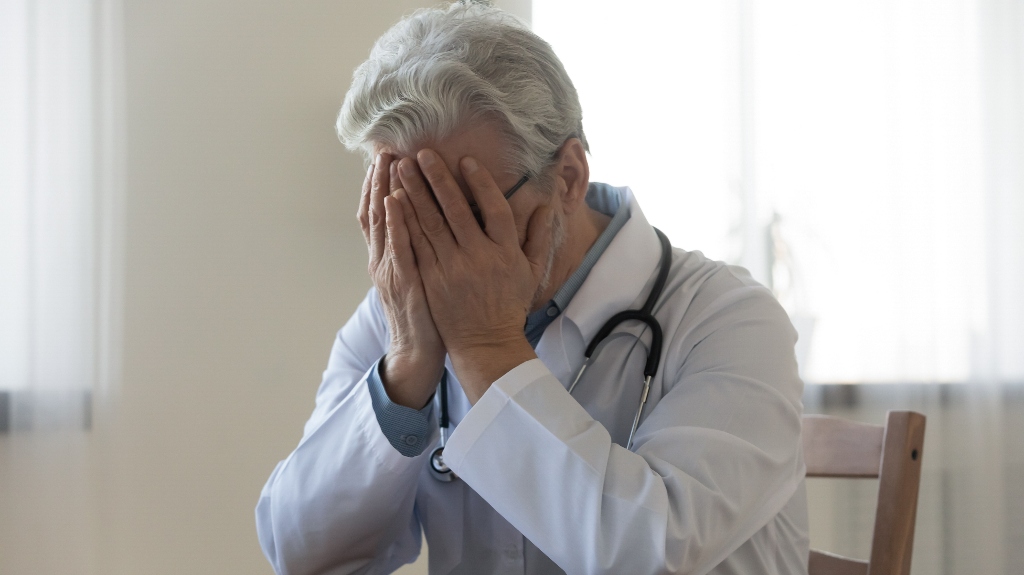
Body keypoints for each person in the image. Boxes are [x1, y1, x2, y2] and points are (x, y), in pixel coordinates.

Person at [255, 3, 809, 574]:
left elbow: (647, 555)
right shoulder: (397, 318)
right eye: (406, 209)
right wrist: (405, 369)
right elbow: (298, 554)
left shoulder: (730, 322)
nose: (434, 247)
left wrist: (487, 348)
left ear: (567, 177)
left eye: (460, 211)